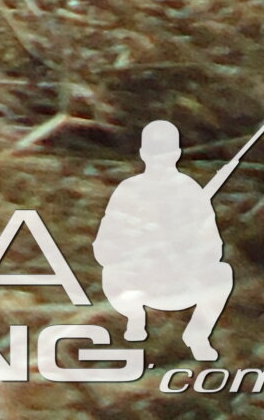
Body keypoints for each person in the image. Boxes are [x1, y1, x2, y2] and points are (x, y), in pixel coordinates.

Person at [95, 122, 234, 362]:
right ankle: (135, 319)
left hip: (181, 281)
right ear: (143, 155)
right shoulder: (128, 190)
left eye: (166, 154)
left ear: (177, 155)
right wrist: (138, 252)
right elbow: (104, 246)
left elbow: (213, 246)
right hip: (137, 283)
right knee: (111, 273)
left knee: (222, 274)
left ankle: (198, 333)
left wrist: (185, 251)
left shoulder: (190, 190)